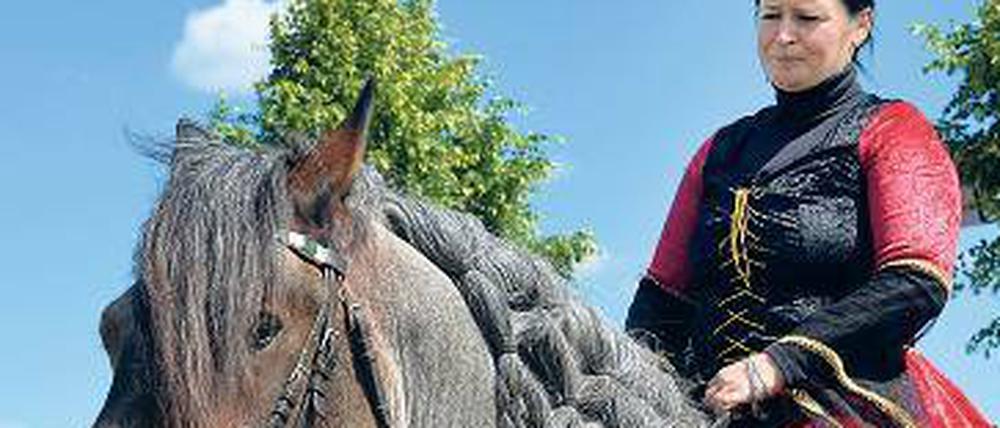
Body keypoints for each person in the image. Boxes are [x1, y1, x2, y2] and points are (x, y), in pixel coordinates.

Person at [624, 0, 993, 426]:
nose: (783, 35)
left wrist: (780, 363)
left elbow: (916, 282)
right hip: (703, 404)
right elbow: (661, 299)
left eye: (807, 17)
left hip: (842, 401)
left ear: (861, 25)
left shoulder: (893, 129)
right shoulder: (718, 151)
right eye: (770, 15)